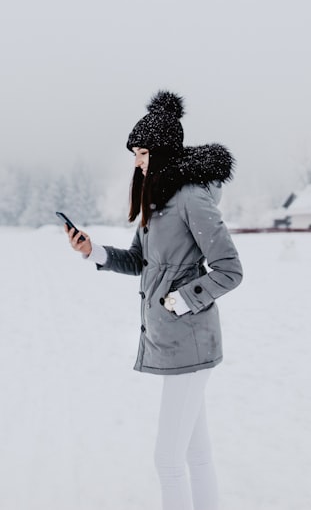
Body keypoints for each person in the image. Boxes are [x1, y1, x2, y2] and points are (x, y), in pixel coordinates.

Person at [64, 90, 243, 510]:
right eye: (134, 153)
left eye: (142, 152)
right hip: (171, 342)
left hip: (192, 340)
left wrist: (182, 300)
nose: (136, 161)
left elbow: (230, 270)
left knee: (167, 461)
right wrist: (93, 251)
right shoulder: (156, 203)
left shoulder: (192, 199)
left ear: (161, 153)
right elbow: (141, 261)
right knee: (195, 454)